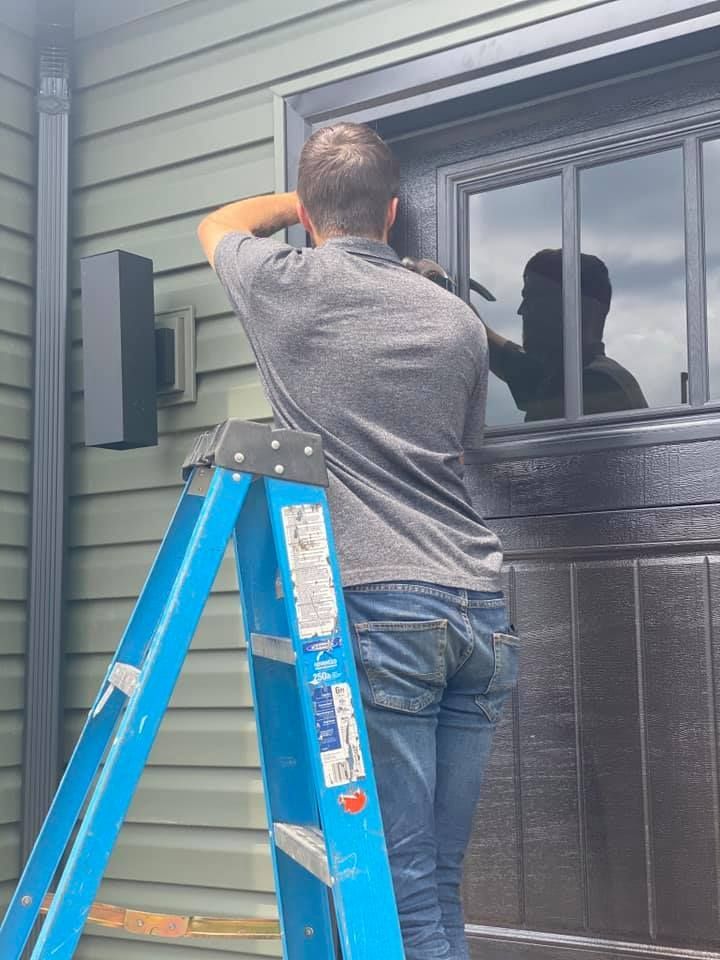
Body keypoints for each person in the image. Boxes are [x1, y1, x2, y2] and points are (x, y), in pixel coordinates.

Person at [197, 122, 518, 960]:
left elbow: (216, 225)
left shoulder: (285, 285)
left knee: (399, 879)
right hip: (479, 609)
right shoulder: (455, 321)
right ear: (396, 210)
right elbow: (460, 445)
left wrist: (296, 207)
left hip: (384, 607)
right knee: (438, 877)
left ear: (307, 213)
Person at [484, 248, 647, 421]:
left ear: (578, 308)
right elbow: (509, 360)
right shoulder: (572, 376)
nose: (522, 310)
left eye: (535, 298)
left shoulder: (593, 386)